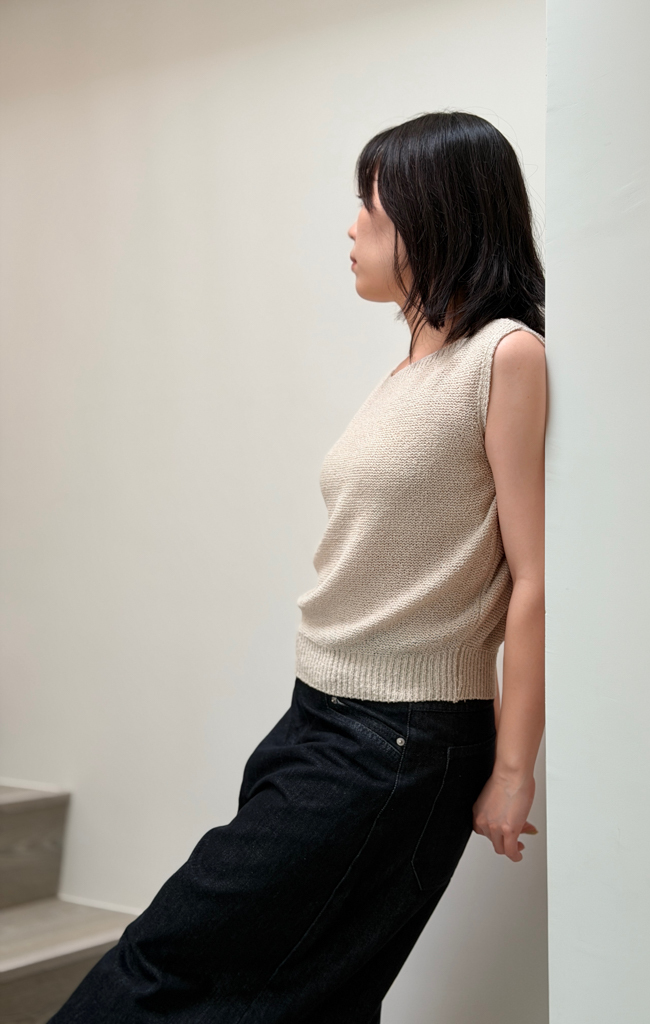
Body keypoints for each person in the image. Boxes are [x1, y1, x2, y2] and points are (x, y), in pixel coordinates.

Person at [50, 110, 547, 1024]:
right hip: (319, 714)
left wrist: (514, 770)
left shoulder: (504, 356)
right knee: (306, 994)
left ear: (435, 221)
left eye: (372, 210)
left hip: (399, 740)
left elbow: (533, 579)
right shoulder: (412, 366)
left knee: (165, 960)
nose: (351, 228)